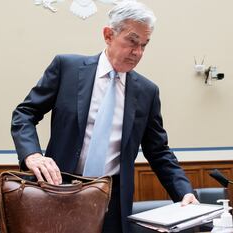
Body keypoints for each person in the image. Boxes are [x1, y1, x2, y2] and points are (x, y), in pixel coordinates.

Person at [11, 2, 198, 233]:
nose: (138, 52)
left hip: (113, 200)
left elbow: (158, 151)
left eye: (144, 45)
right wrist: (32, 155)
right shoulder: (67, 68)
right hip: (58, 189)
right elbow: (24, 114)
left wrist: (184, 191)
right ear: (108, 35)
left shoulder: (147, 92)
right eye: (132, 41)